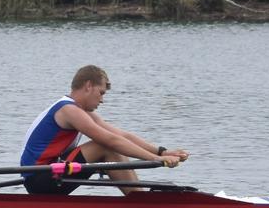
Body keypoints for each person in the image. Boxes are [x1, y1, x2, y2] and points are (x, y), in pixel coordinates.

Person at [21, 65, 189, 194]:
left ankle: (139, 198)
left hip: (52, 173)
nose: (102, 100)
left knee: (111, 145)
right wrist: (154, 159)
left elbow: (121, 135)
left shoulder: (81, 111)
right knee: (104, 145)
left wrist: (162, 152)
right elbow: (110, 141)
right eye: (100, 93)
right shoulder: (68, 110)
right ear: (88, 86)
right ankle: (140, 201)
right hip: (39, 179)